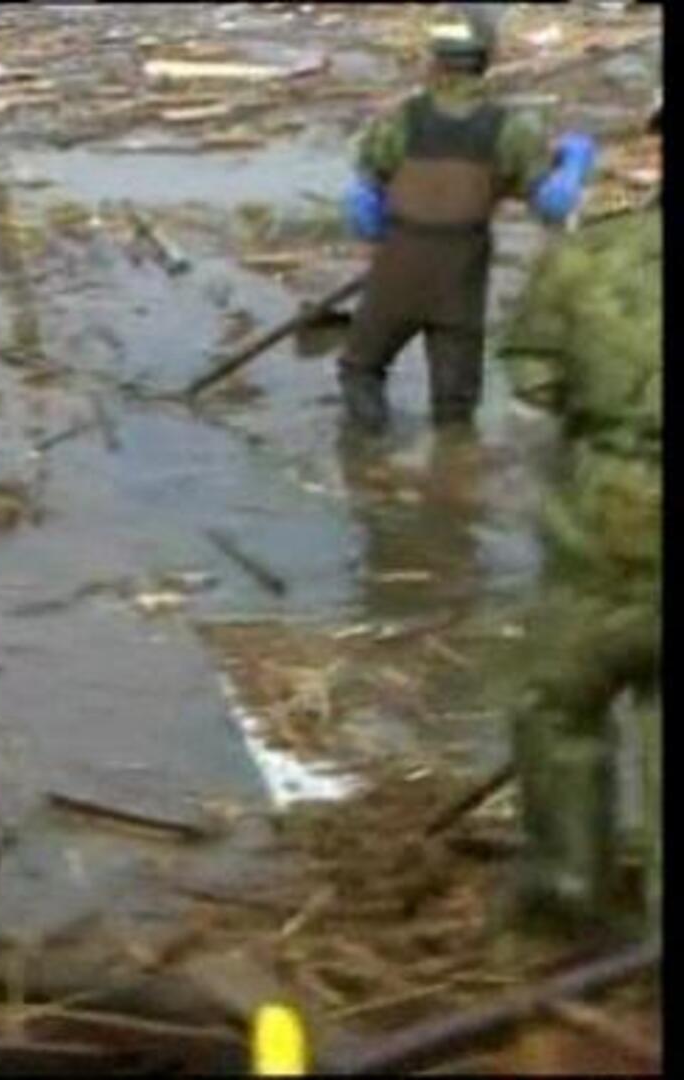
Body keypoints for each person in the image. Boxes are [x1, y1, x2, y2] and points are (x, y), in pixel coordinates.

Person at [494, 97, 661, 939]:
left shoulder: (586, 260)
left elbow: (533, 385)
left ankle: (569, 894)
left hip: (612, 514)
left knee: (562, 703)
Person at [336, 16, 593, 435]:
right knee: (455, 405)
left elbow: (362, 201)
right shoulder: (509, 130)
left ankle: (366, 462)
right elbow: (553, 206)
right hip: (462, 271)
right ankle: (453, 479)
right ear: (486, 61)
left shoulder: (400, 121)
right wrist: (575, 163)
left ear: (435, 62)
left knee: (361, 368)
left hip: (398, 260)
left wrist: (379, 239)